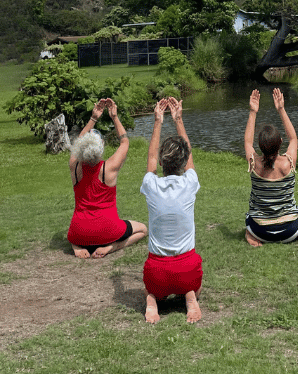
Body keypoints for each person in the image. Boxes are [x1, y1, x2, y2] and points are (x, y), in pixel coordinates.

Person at [141, 97, 203, 324]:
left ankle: (152, 301)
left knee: (152, 289)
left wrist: (158, 121)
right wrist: (178, 120)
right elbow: (190, 158)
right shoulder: (189, 183)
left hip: (156, 273)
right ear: (183, 161)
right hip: (186, 269)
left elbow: (150, 158)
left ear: (162, 163)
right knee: (193, 287)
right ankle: (189, 297)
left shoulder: (151, 184)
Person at [67, 97, 148, 258]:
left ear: (81, 149)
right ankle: (111, 247)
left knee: (77, 234)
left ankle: (76, 246)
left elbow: (77, 144)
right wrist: (114, 116)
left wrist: (93, 118)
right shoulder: (108, 169)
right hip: (108, 230)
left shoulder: (75, 166)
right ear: (101, 147)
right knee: (143, 229)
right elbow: (124, 142)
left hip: (79, 232)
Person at [243, 87, 298, 247]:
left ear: (260, 146)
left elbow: (247, 142)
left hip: (260, 230)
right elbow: (294, 138)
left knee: (249, 218)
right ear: (280, 142)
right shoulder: (288, 162)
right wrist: (281, 109)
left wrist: (253, 111)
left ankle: (250, 234)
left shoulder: (254, 163)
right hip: (290, 230)